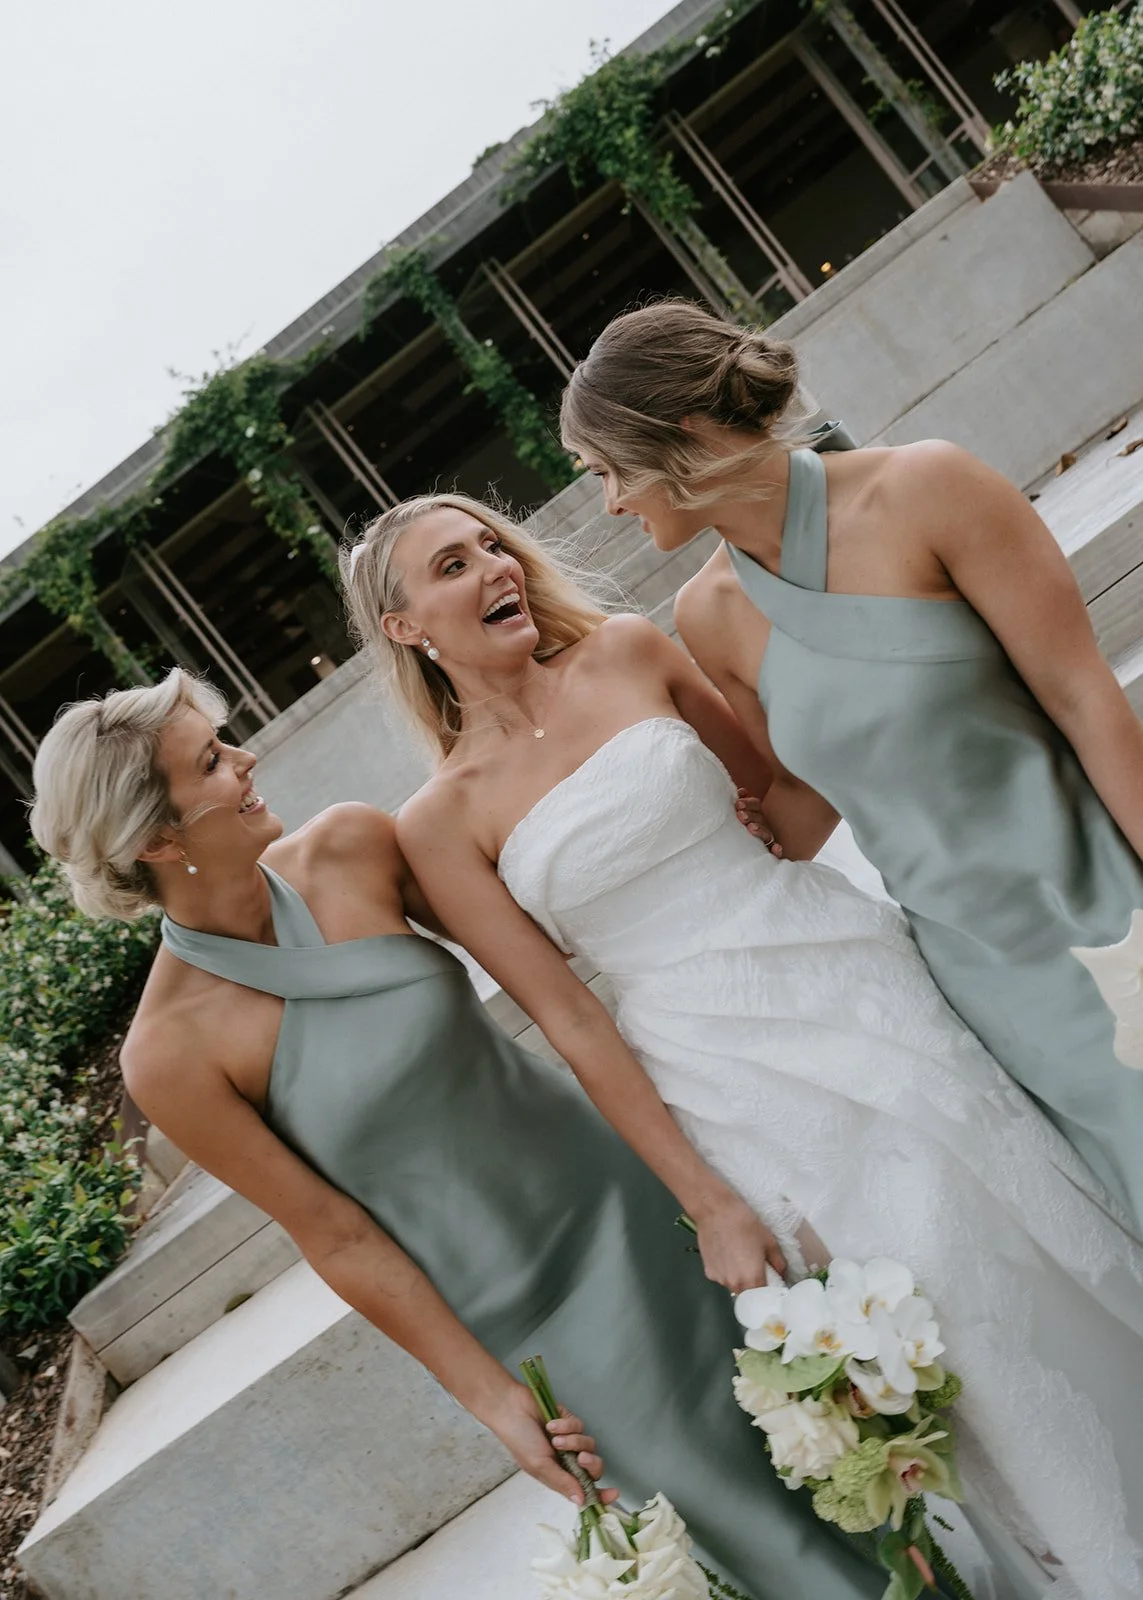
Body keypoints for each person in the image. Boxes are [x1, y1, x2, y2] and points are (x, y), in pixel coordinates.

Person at [346, 491, 1143, 1599]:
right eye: (452, 563)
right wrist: (707, 1200)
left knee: (1018, 1225)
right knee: (931, 1305)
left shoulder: (630, 651)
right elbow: (571, 1019)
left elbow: (785, 794)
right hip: (718, 1074)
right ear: (405, 627)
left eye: (492, 543)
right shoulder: (440, 821)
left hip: (852, 977)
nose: (491, 565)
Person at [28, 668, 890, 1600]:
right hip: (531, 1314)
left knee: (862, 1465)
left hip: (644, 1207)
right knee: (773, 1546)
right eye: (212, 761)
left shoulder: (355, 847)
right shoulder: (169, 1054)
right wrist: (490, 1400)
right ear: (157, 836)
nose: (246, 760)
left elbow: (555, 973)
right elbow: (336, 1235)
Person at [559, 297, 1143, 1232]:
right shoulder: (709, 617)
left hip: (1107, 897)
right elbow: (801, 800)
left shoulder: (927, 489)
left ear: (683, 434)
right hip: (982, 977)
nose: (609, 502)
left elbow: (1083, 696)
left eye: (606, 472)